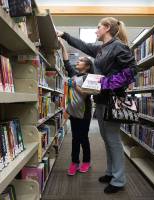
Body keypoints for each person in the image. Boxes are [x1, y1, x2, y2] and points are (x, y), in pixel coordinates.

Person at [57, 17, 137, 194]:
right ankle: (111, 172)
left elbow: (131, 71)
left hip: (113, 100)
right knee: (107, 139)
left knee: (113, 140)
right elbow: (83, 45)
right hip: (101, 100)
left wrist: (106, 83)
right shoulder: (102, 49)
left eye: (98, 27)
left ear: (107, 28)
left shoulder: (119, 46)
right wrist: (64, 35)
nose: (96, 30)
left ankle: (119, 180)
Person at [59, 39, 94, 176]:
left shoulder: (89, 78)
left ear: (87, 66)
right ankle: (74, 162)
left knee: (83, 137)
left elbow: (86, 94)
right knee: (75, 138)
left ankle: (86, 161)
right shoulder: (74, 74)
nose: (77, 62)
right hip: (73, 112)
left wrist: (74, 85)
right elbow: (66, 61)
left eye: (80, 61)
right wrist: (62, 44)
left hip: (84, 113)